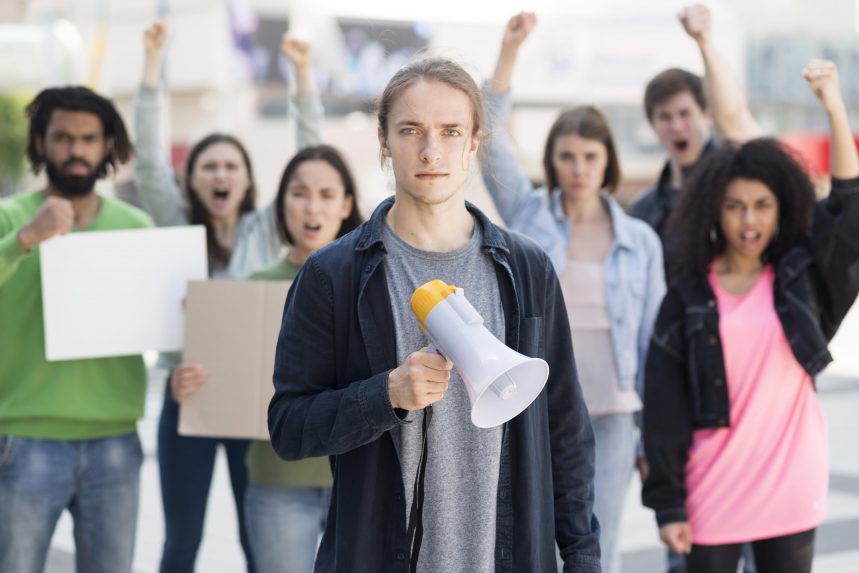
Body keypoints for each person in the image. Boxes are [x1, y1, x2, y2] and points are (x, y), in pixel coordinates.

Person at [268, 57, 601, 572]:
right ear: (383, 140)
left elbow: (567, 431)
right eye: (410, 130)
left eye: (450, 131)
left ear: (474, 141)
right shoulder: (332, 275)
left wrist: (583, 558)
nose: (430, 151)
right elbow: (289, 427)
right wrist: (386, 396)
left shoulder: (528, 269)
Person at [642, 60, 858, 573]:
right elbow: (663, 408)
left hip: (790, 479)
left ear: (781, 209)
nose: (749, 219)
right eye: (735, 205)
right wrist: (668, 502)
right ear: (713, 210)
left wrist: (833, 104)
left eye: (762, 205)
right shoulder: (687, 296)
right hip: (712, 487)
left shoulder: (800, 279)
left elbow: (850, 210)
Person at [135, 19, 322, 573]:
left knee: (254, 538)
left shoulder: (267, 229)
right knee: (181, 542)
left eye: (231, 167)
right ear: (193, 179)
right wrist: (151, 65)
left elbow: (311, 154)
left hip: (252, 400)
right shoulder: (173, 225)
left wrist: (303, 72)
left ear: (246, 181)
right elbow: (147, 160)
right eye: (209, 166)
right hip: (187, 392)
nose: (220, 174)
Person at [481, 13, 664, 573]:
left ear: (607, 159)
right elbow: (489, 140)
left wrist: (652, 439)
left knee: (595, 545)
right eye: (567, 157)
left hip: (610, 416)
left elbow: (655, 342)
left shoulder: (639, 239)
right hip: (536, 405)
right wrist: (509, 51)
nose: (579, 168)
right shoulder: (528, 215)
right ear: (552, 162)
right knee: (524, 537)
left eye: (590, 156)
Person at [0, 86, 154, 572]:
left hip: (115, 439)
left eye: (89, 139)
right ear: (41, 142)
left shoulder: (136, 227)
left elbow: (163, 320)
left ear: (108, 146)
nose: (76, 150)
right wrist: (25, 238)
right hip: (25, 437)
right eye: (63, 137)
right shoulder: (9, 219)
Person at [244, 144, 363, 573]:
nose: (312, 207)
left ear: (346, 204)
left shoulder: (373, 280)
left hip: (357, 477)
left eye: (327, 194)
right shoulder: (252, 288)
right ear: (282, 203)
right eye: (299, 193)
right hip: (279, 478)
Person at [630, 4, 760, 240]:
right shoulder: (643, 211)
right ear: (653, 126)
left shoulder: (735, 176)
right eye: (665, 117)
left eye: (685, 114)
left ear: (707, 115)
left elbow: (733, 115)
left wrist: (704, 42)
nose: (677, 127)